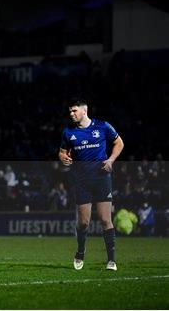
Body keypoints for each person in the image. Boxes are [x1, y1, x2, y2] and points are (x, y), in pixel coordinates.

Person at [59, 98, 124, 271]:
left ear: (84, 110)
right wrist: (63, 158)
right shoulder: (68, 132)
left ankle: (111, 260)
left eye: (74, 110)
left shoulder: (102, 126)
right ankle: (80, 251)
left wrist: (111, 159)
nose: (71, 114)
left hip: (102, 178)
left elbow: (119, 143)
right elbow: (62, 152)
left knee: (105, 219)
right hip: (81, 181)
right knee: (84, 223)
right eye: (70, 111)